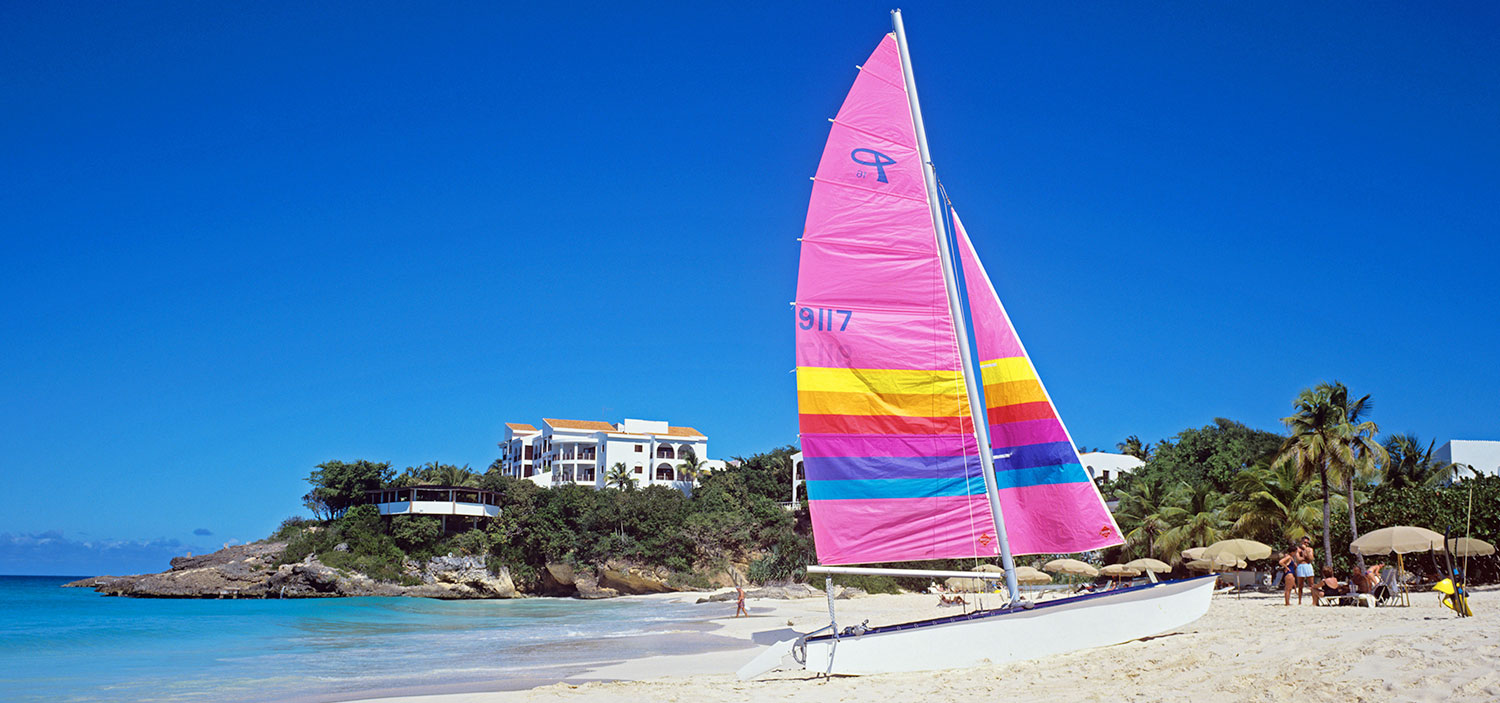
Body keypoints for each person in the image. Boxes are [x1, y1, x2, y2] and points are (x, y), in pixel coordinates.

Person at [1294, 536, 1316, 605]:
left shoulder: (1310, 549)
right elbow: (1298, 559)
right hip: (1301, 566)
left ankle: (1314, 601)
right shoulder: (1297, 549)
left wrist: (1305, 550)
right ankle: (1299, 601)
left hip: (1308, 566)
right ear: (1301, 542)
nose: (1306, 544)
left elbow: (1311, 558)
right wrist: (1305, 557)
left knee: (1311, 584)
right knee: (1300, 585)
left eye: (1307, 543)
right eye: (1305, 542)